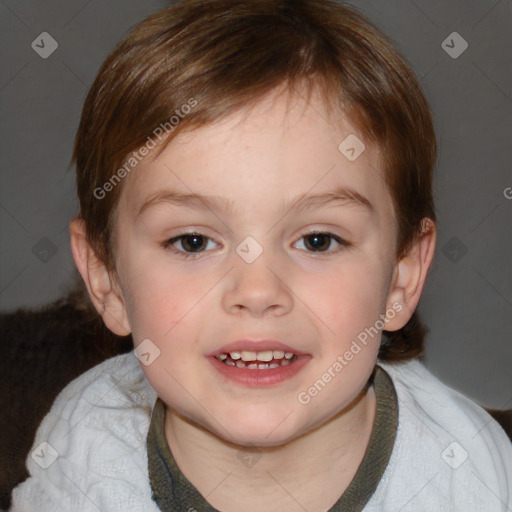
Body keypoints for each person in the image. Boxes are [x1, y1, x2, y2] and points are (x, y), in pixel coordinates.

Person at [10, 0, 512, 510]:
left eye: (318, 240)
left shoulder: (465, 478)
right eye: (193, 242)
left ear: (402, 277)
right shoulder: (88, 448)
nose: (257, 292)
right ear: (107, 280)